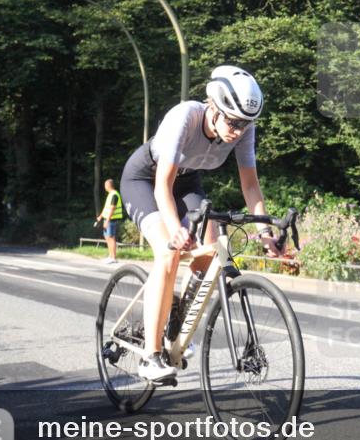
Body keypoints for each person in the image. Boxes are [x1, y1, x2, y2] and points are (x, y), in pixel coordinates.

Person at [120, 65, 283, 382]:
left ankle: (174, 321)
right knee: (168, 253)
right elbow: (162, 187)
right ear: (214, 107)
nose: (238, 130)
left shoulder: (243, 129)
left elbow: (250, 185)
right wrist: (175, 229)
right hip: (146, 179)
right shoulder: (185, 117)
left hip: (187, 182)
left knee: (211, 255)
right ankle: (151, 357)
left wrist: (265, 232)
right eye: (233, 121)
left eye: (245, 123)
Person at [95, 179, 123, 264]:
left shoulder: (114, 195)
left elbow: (112, 208)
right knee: (107, 237)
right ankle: (110, 256)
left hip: (111, 220)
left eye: (105, 185)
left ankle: (113, 257)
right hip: (107, 219)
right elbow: (106, 207)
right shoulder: (110, 194)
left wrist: (107, 220)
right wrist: (100, 217)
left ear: (109, 185)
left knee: (111, 238)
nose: (104, 187)